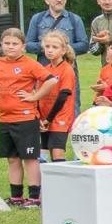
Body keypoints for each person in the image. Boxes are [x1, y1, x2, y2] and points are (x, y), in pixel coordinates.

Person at [0, 29, 56, 208]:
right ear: (2, 45)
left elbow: (50, 80)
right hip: (5, 118)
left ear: (23, 46)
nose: (10, 47)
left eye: (14, 44)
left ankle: (34, 197)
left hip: (25, 119)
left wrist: (34, 96)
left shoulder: (29, 64)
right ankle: (16, 196)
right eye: (7, 43)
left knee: (30, 158)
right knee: (12, 158)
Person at [37, 31, 78, 161]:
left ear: (63, 50)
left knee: (57, 153)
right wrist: (39, 117)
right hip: (44, 118)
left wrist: (48, 119)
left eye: (55, 47)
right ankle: (43, 182)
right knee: (43, 153)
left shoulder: (66, 69)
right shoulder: (45, 69)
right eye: (47, 47)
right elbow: (38, 95)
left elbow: (62, 97)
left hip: (60, 117)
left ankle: (63, 181)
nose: (50, 50)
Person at [26, 0, 91, 64]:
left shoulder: (75, 19)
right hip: (44, 70)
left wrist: (63, 48)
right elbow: (28, 45)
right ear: (47, 0)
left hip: (68, 68)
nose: (59, 0)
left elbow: (84, 45)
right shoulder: (37, 18)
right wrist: (46, 46)